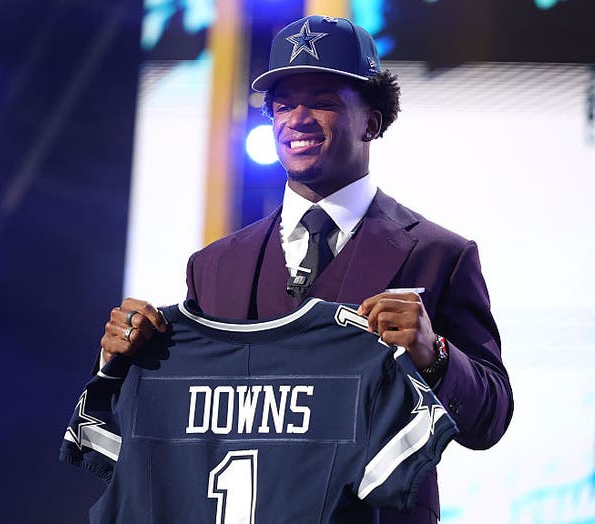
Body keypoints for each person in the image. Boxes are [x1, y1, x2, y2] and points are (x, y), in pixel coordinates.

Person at [99, 15, 513, 524]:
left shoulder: (440, 254)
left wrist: (435, 354)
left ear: (372, 122)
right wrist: (122, 360)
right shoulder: (214, 265)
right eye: (282, 104)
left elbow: (490, 419)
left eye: (323, 101)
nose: (297, 119)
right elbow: (180, 417)